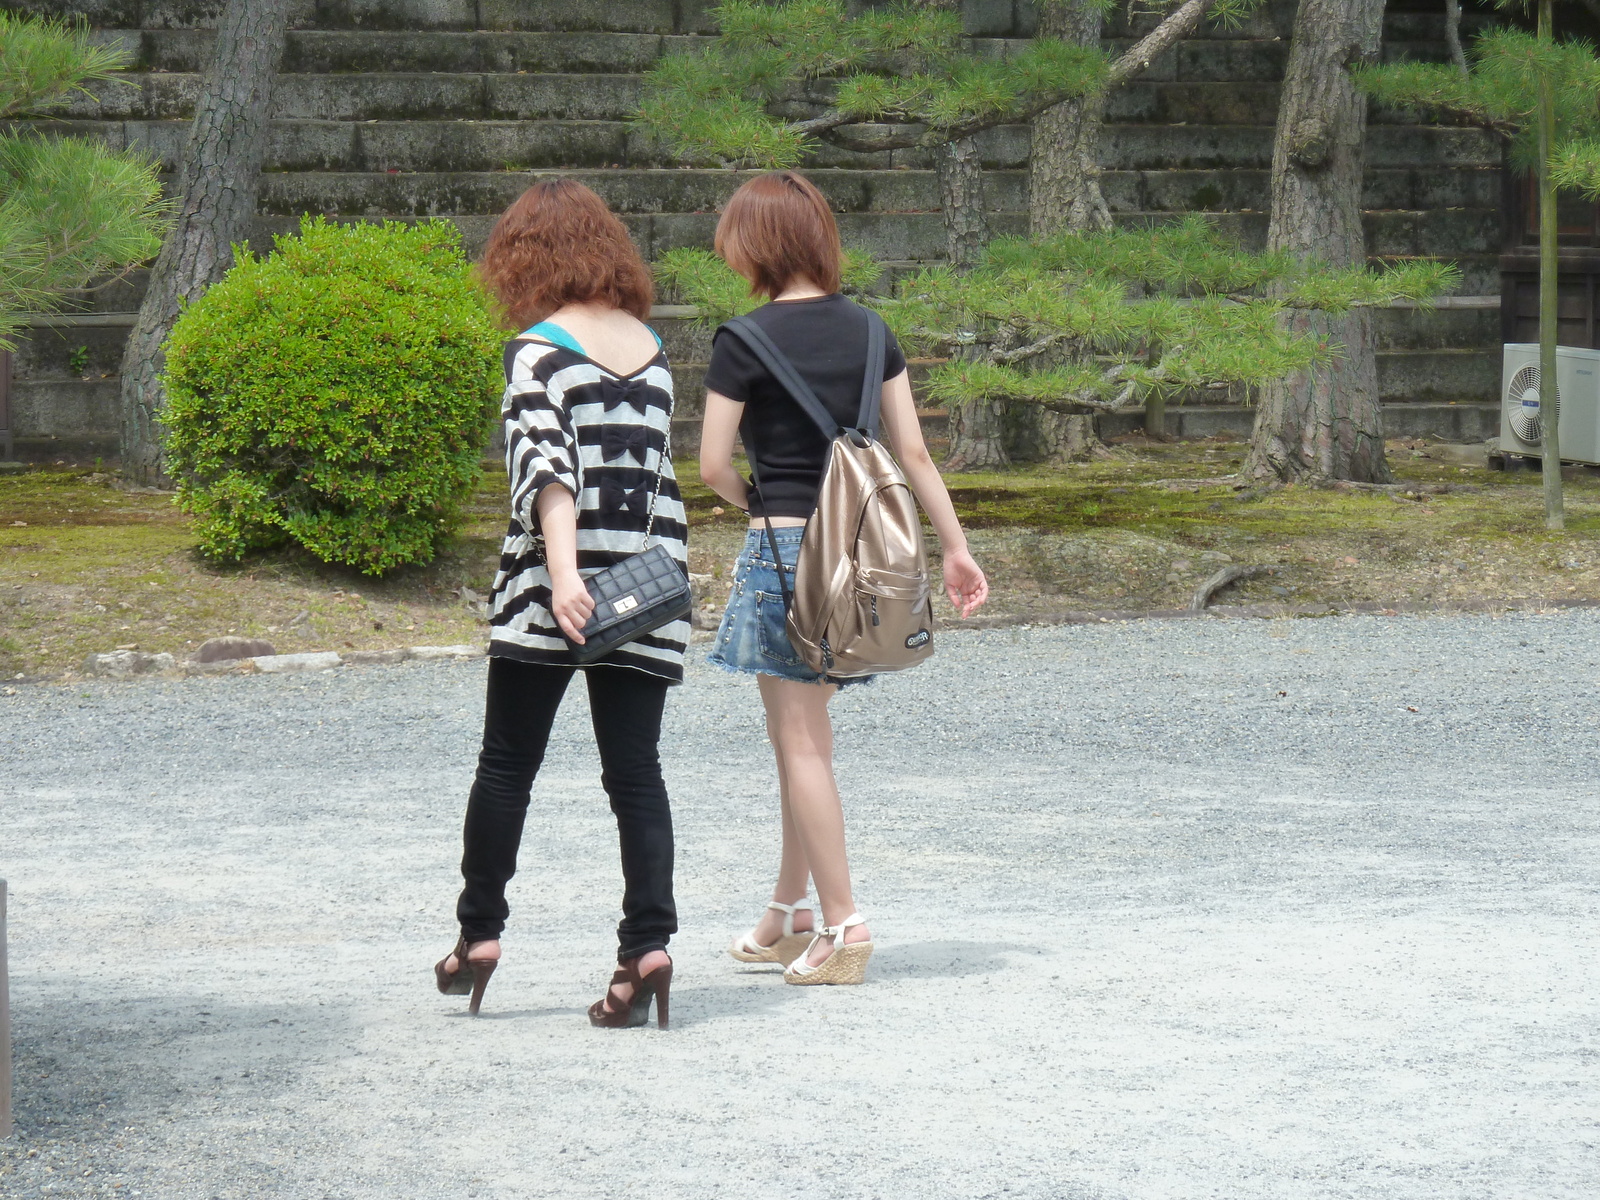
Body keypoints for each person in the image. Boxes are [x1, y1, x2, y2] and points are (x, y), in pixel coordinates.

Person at [699, 171, 989, 985]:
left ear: (755, 244)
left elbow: (713, 462)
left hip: (787, 554)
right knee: (801, 741)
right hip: (860, 559)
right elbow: (915, 453)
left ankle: (845, 927)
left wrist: (755, 500)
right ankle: (787, 914)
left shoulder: (742, 338)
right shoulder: (871, 331)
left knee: (800, 744)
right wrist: (956, 549)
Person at [434, 179, 688, 1028]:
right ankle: (646, 949)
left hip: (555, 587)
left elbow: (547, 471)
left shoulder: (535, 351)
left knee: (508, 765)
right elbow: (654, 484)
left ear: (524, 257)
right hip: (646, 591)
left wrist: (566, 575)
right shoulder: (653, 352)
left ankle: (479, 936)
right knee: (636, 776)